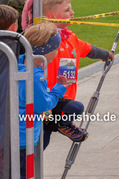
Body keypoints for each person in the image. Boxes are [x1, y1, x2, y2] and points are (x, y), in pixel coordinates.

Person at [42, 0, 112, 147]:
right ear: (52, 16)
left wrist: (105, 55)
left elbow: (87, 48)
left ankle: (64, 124)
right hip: (47, 100)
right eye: (67, 10)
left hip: (64, 100)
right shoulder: (44, 39)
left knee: (74, 108)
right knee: (42, 141)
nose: (72, 13)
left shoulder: (70, 37)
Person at [12, 18, 69, 179]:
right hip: (24, 136)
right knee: (25, 173)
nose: (57, 52)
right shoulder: (34, 76)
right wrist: (59, 89)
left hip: (11, 132)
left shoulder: (18, 63)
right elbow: (42, 105)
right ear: (47, 51)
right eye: (56, 48)